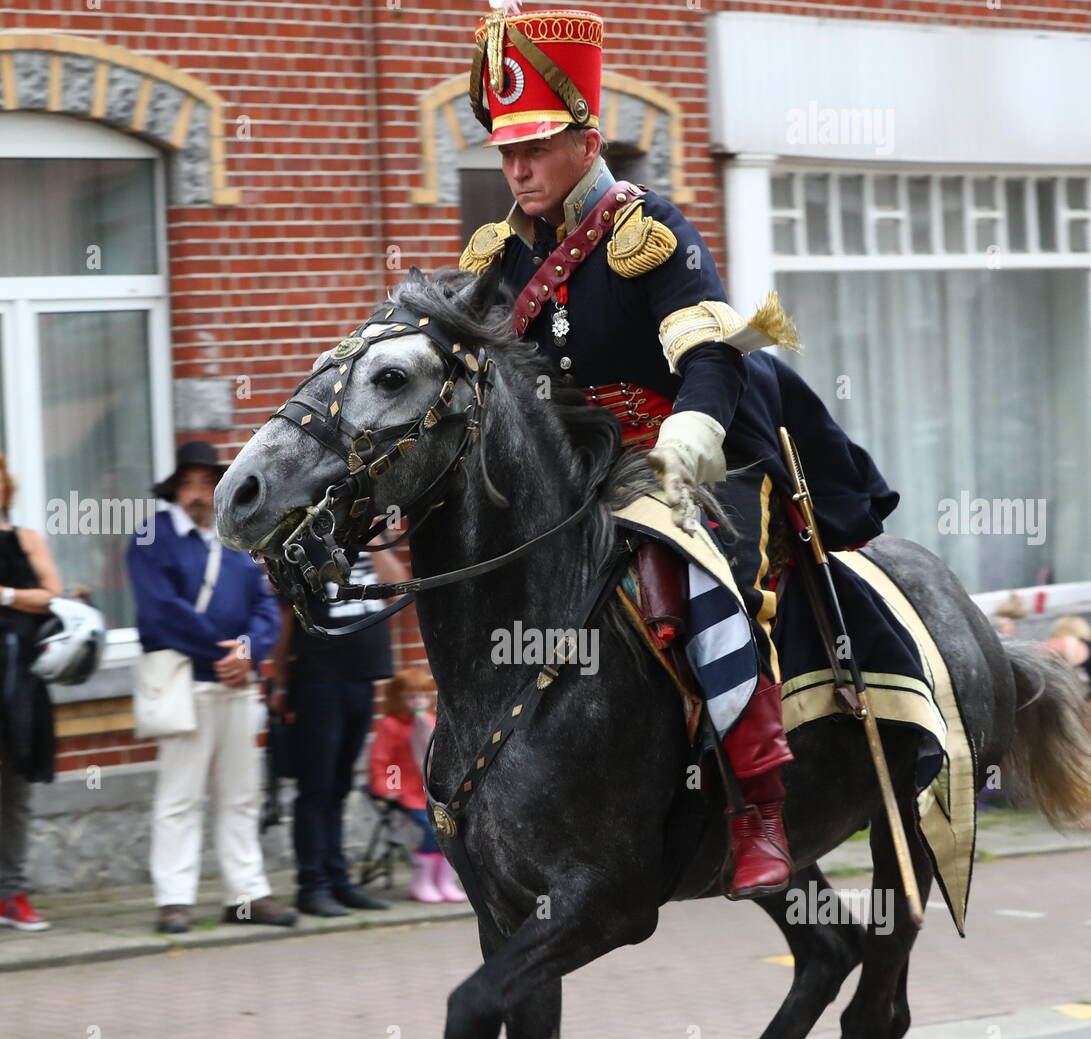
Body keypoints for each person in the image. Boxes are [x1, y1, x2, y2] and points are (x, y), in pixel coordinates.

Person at [460, 7, 898, 897]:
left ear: (585, 141)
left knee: (698, 585)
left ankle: (760, 808)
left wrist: (690, 428)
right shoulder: (499, 257)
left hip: (697, 453)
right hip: (580, 470)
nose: (517, 168)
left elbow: (710, 352)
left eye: (535, 147)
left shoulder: (645, 230)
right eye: (506, 151)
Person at [128, 440, 296, 933]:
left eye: (207, 484)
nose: (199, 494)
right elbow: (160, 609)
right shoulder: (150, 537)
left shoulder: (232, 538)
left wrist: (246, 650)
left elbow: (265, 608)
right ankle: (174, 899)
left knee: (241, 795)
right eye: (190, 484)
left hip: (237, 685)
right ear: (176, 490)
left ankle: (246, 894)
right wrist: (222, 650)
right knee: (180, 798)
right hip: (186, 685)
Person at [269, 534, 410, 917]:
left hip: (361, 680)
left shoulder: (367, 545)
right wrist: (280, 683)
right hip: (318, 680)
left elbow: (396, 589)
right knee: (317, 787)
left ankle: (339, 881)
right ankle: (311, 886)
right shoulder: (302, 547)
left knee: (341, 785)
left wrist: (375, 537)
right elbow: (285, 619)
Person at [0, 452, 62, 931]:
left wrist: (4, 595)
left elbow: (51, 595)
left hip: (18, 680)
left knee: (15, 790)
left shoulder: (25, 539)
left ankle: (11, 894)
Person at [369, 667, 467, 904]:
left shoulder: (430, 721)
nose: (418, 701)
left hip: (432, 788)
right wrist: (390, 788)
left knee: (451, 826)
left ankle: (443, 879)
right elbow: (384, 760)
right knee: (429, 825)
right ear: (398, 699)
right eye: (411, 697)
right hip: (407, 789)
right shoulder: (390, 726)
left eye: (422, 696)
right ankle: (423, 879)